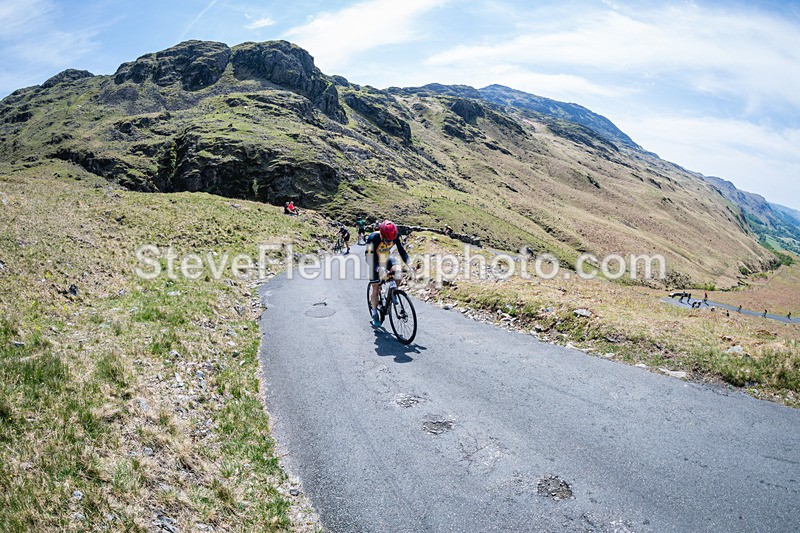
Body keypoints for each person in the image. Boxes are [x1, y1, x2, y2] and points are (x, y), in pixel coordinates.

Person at [366, 220, 410, 328]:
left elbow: (401, 251)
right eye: (386, 240)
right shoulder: (372, 239)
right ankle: (375, 314)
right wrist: (378, 269)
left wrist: (410, 264)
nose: (389, 243)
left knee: (398, 271)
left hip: (386, 258)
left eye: (391, 240)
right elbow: (368, 258)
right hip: (375, 262)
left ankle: (393, 292)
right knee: (375, 289)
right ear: (381, 234)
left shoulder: (395, 236)